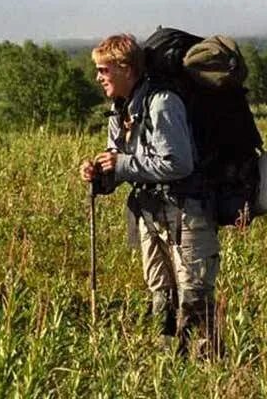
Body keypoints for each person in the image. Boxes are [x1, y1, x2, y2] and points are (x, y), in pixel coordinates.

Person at [80, 33, 222, 358]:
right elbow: (119, 161)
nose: (98, 77)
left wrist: (123, 163)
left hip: (188, 213)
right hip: (150, 214)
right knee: (162, 296)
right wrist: (100, 173)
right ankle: (170, 366)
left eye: (104, 70)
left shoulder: (163, 103)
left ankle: (210, 375)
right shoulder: (121, 109)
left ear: (126, 68)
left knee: (194, 298)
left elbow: (178, 162)